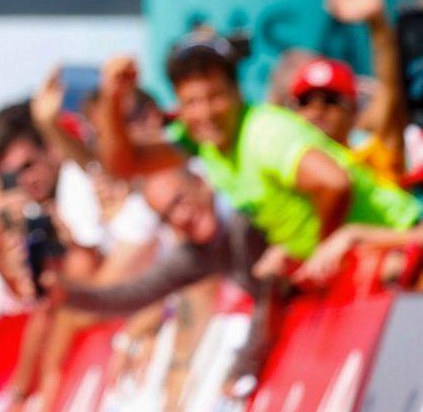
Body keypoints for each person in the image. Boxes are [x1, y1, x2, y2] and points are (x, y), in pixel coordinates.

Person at [96, 33, 422, 278]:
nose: (205, 112)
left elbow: (334, 184)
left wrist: (314, 251)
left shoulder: (264, 133)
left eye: (215, 96)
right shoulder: (202, 140)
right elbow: (124, 165)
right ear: (179, 107)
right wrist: (113, 97)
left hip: (404, 242)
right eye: (191, 102)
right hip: (375, 258)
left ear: (237, 93)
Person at [54, 168, 283, 399]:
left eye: (179, 200)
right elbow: (133, 295)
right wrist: (65, 295)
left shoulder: (245, 210)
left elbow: (271, 294)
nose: (180, 217)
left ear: (201, 183)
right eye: (166, 216)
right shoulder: (197, 250)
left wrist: (243, 368)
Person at [286, 0, 408, 188]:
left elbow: (390, 91)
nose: (317, 109)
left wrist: (377, 24)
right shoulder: (286, 173)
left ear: (353, 110)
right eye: (305, 101)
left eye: (331, 100)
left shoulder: (370, 160)